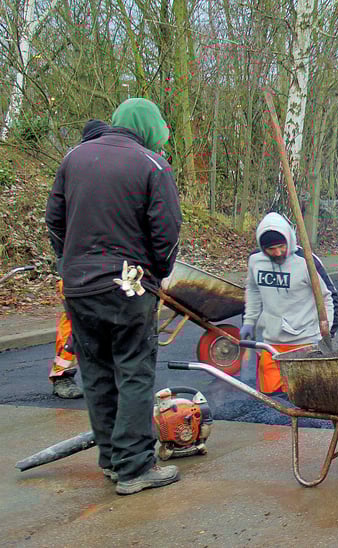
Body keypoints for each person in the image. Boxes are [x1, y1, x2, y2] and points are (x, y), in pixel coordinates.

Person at [45, 98, 183, 495]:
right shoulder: (152, 165)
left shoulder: (74, 158)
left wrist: (67, 262)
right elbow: (167, 232)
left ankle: (111, 459)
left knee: (97, 372)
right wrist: (157, 274)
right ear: (148, 126)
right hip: (128, 286)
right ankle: (135, 467)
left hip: (79, 286)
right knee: (133, 371)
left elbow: (55, 220)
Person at [240, 212, 338, 394]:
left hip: (305, 345)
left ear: (289, 239)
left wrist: (326, 334)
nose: (278, 252)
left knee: (302, 399)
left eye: (281, 246)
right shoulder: (256, 261)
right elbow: (253, 291)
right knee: (271, 401)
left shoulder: (306, 262)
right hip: (271, 345)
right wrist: (249, 321)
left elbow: (329, 297)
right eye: (271, 249)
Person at [48, 120, 111, 400]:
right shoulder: (75, 169)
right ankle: (61, 374)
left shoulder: (90, 171)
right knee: (74, 321)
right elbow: (56, 218)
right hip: (76, 264)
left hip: (94, 261)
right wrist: (65, 256)